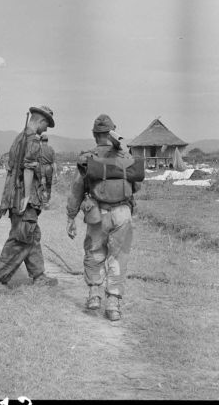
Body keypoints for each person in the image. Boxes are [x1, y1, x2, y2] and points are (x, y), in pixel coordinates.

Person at [65, 114, 143, 321]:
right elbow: (136, 186)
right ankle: (113, 304)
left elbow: (76, 189)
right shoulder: (125, 157)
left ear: (94, 134)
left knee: (94, 252)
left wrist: (70, 216)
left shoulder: (87, 158)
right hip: (123, 213)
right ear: (112, 132)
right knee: (118, 258)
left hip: (97, 213)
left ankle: (94, 295)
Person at [0, 105, 59, 292]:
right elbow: (28, 168)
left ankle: (38, 276)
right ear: (41, 121)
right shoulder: (32, 140)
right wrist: (28, 196)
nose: (46, 129)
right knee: (21, 237)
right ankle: (0, 280)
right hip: (24, 196)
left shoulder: (19, 138)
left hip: (16, 193)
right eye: (47, 125)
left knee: (32, 235)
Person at [39, 133, 56, 207]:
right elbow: (54, 163)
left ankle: (44, 202)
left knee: (42, 185)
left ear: (41, 141)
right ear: (47, 140)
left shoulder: (39, 149)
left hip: (42, 168)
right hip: (49, 169)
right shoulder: (51, 149)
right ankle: (47, 202)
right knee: (49, 186)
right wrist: (55, 174)